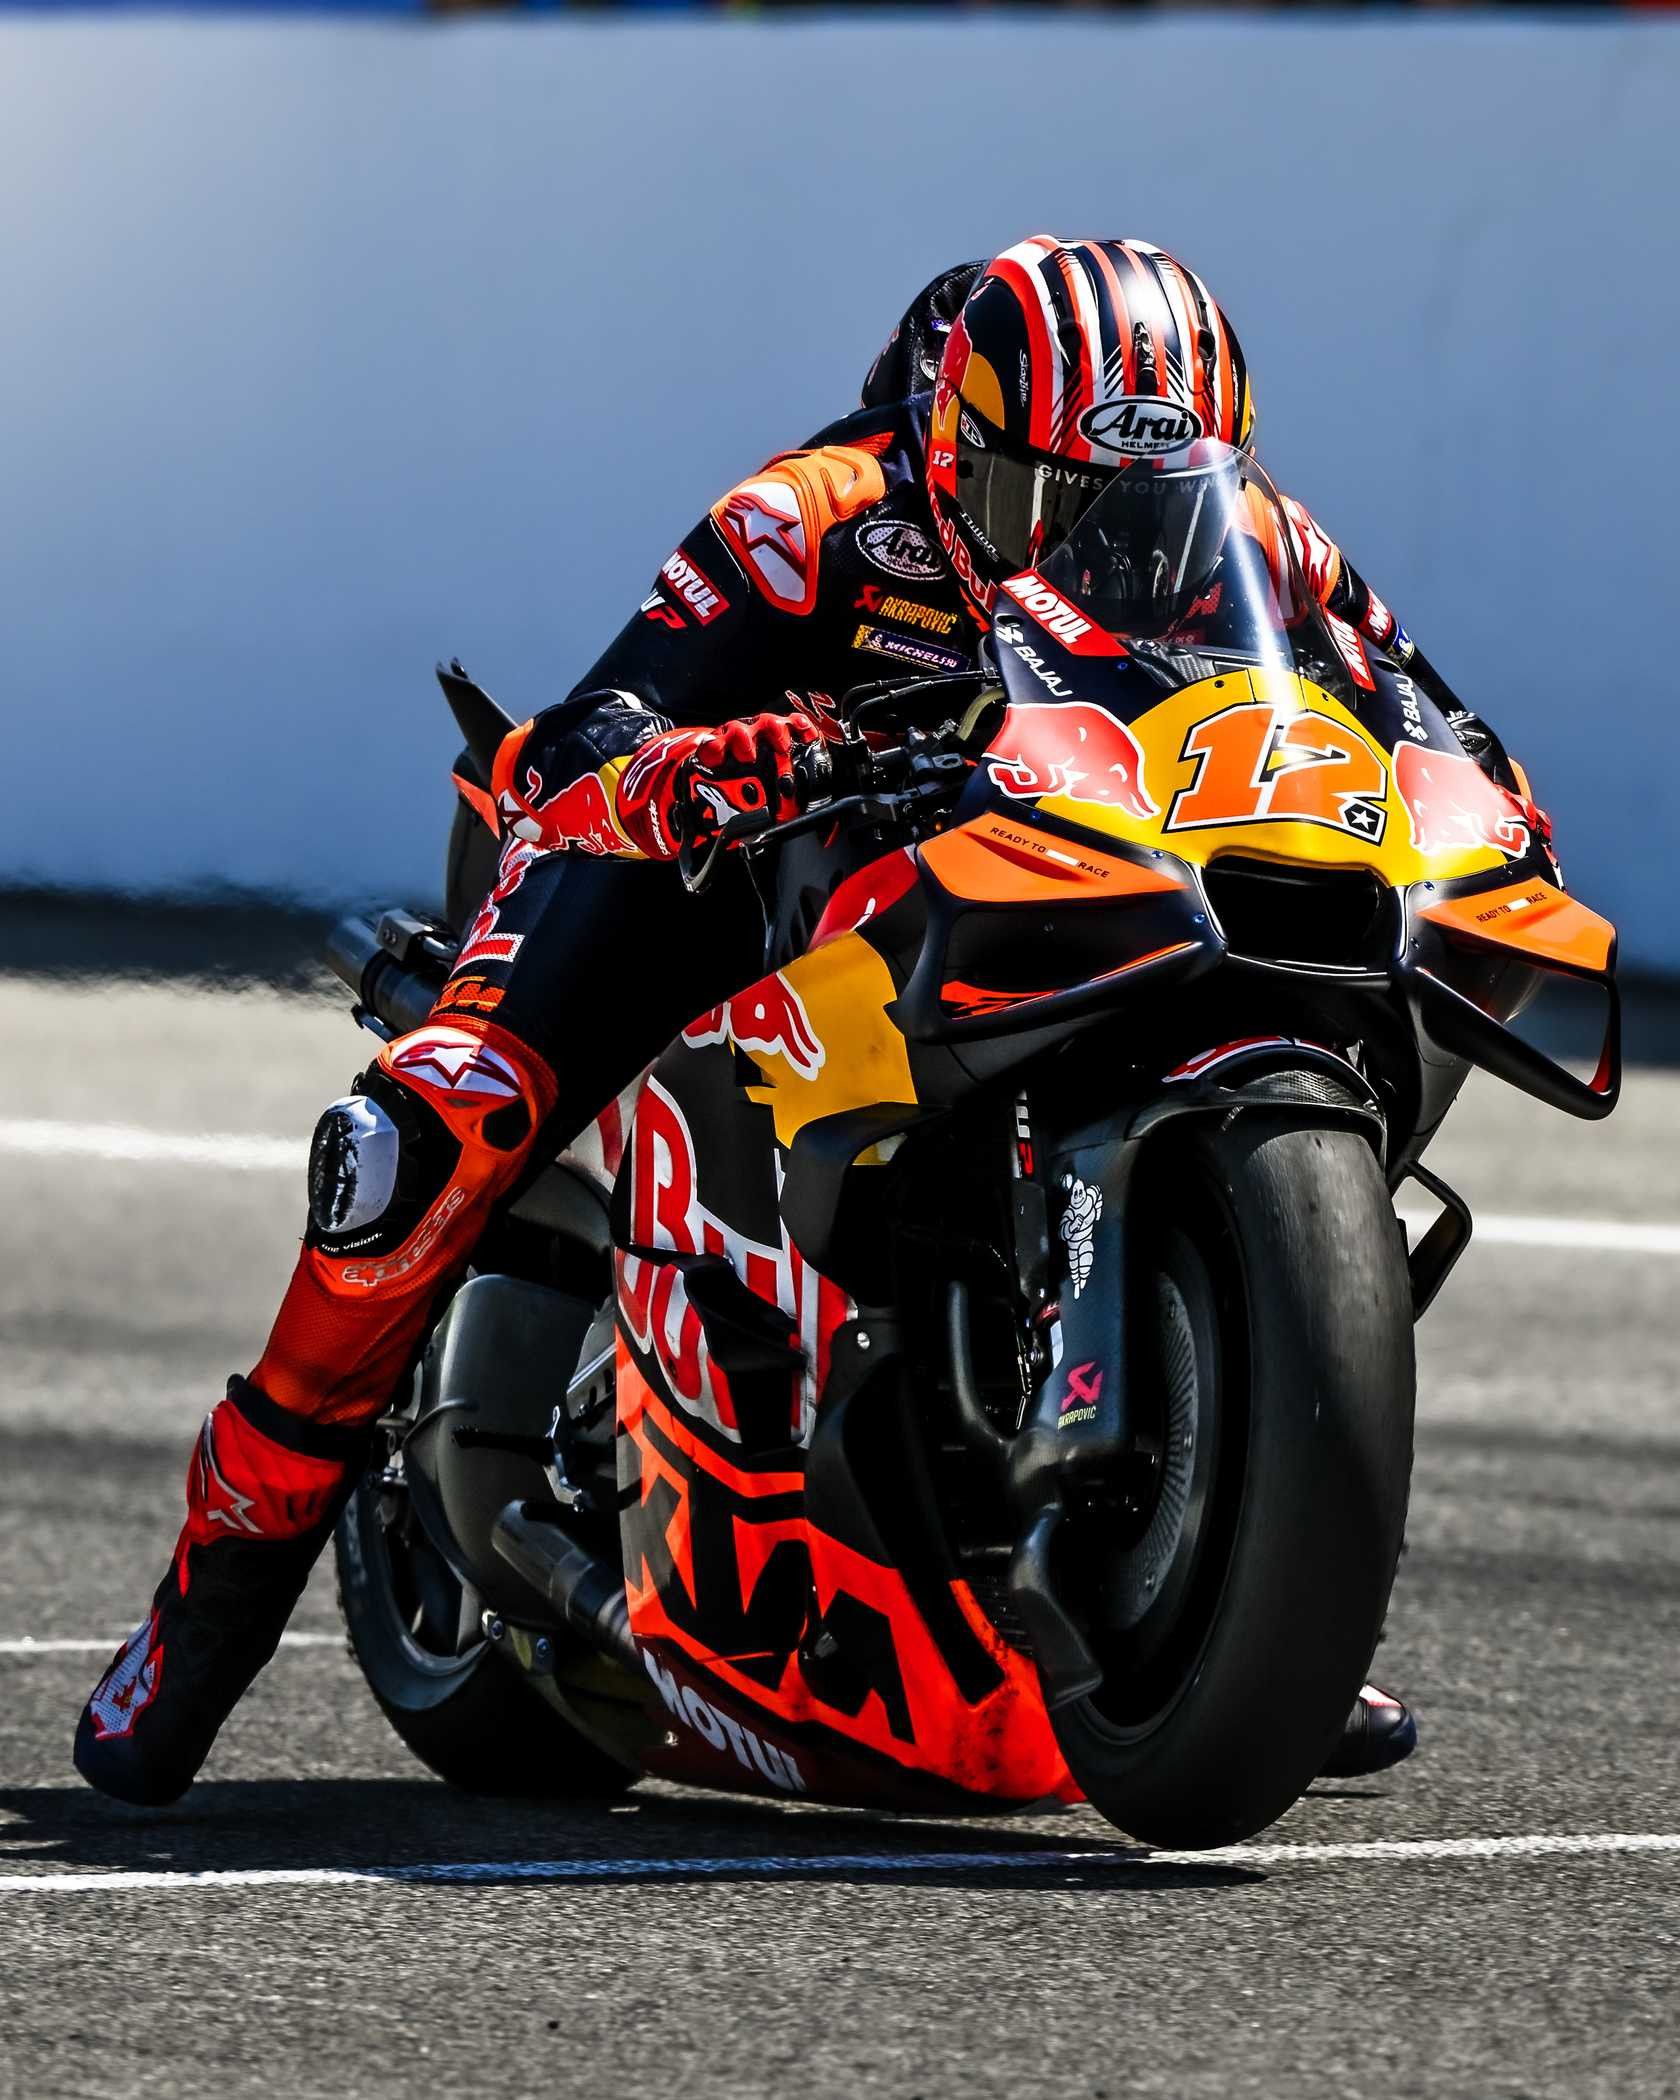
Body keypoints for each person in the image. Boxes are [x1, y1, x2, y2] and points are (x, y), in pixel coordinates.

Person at [77, 235, 1526, 1806]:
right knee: (423, 1138)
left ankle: (1251, 1571)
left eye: (1143, 501)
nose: (1093, 535)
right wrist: (722, 763)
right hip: (738, 870)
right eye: (1047, 497)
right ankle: (201, 1619)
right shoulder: (814, 516)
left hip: (1072, 878)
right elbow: (589, 736)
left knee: (1347, 1006)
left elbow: (1429, 713)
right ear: (953, 443)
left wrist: (1475, 801)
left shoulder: (1273, 540)